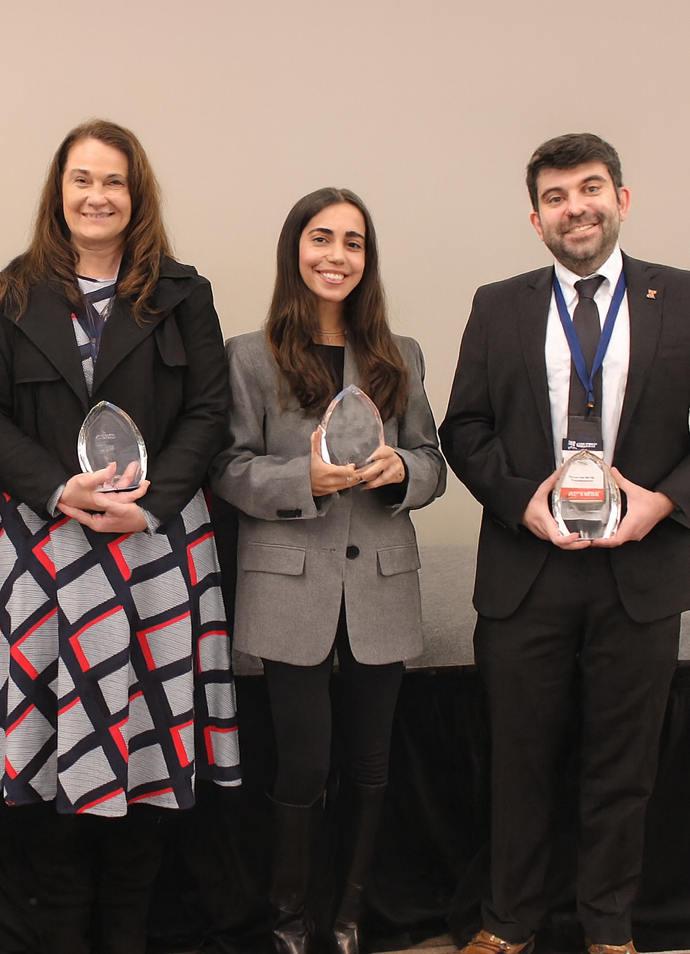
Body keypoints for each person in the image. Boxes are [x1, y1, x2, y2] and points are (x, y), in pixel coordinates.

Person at [439, 133, 690, 954]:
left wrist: (666, 503)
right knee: (518, 761)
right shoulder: (497, 304)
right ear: (536, 218)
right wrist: (521, 500)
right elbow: (464, 428)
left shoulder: (689, 297)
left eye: (588, 188)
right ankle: (507, 925)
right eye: (554, 196)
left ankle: (608, 931)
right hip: (527, 571)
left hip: (641, 571)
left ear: (622, 198)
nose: (573, 206)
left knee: (624, 767)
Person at [0, 119, 241, 954]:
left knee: (143, 751)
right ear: (60, 192)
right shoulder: (7, 296)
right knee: (54, 753)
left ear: (136, 195)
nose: (97, 196)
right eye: (82, 180)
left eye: (113, 182)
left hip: (154, 553)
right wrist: (54, 489)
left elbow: (209, 413)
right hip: (45, 555)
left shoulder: (184, 295)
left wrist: (152, 504)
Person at [210, 188, 445, 954]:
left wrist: (396, 470)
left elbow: (434, 465)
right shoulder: (249, 355)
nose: (335, 255)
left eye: (352, 242)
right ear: (295, 250)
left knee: (370, 762)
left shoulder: (398, 354)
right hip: (288, 582)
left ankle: (346, 922)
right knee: (304, 761)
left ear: (366, 260)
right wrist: (301, 481)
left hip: (380, 579)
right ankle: (289, 925)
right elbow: (229, 468)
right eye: (321, 238)